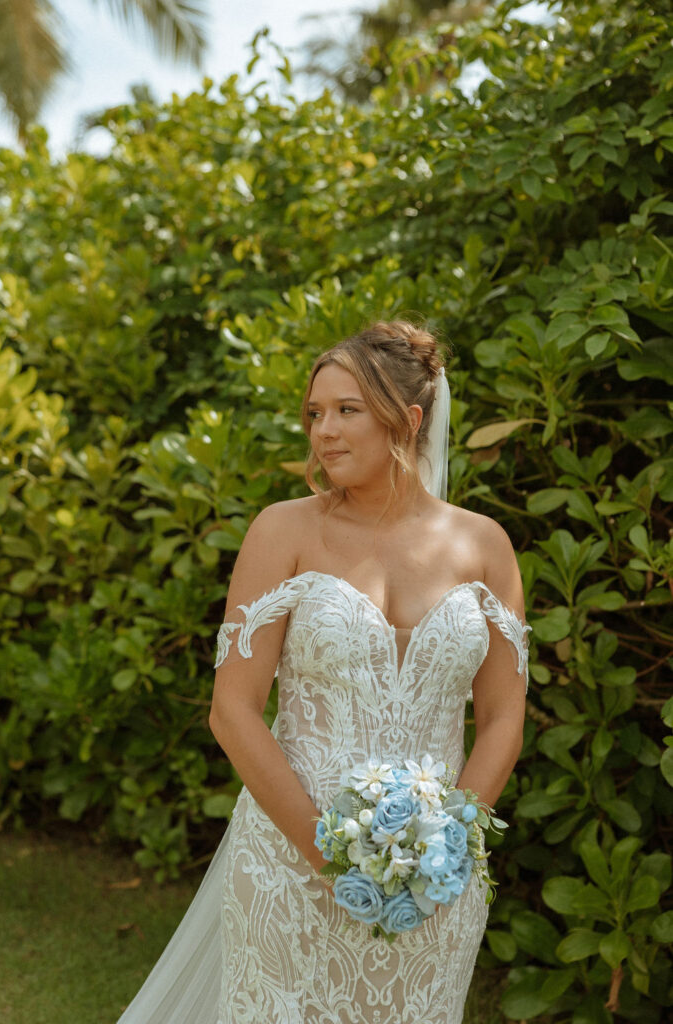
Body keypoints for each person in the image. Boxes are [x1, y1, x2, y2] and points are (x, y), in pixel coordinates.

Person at [116, 320, 530, 1024]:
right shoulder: (283, 531)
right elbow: (233, 709)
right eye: (314, 413)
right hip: (287, 864)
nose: (322, 432)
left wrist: (446, 846)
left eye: (347, 411)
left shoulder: (484, 545)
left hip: (433, 881)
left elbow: (500, 718)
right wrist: (325, 853)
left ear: (409, 420)